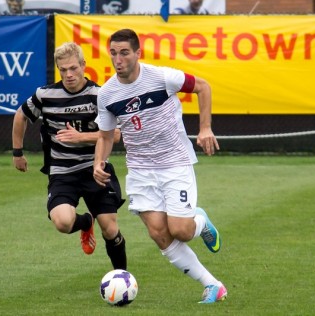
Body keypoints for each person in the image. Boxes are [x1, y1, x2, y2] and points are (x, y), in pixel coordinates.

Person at [93, 29, 226, 304]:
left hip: (174, 162)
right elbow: (106, 136)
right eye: (114, 53)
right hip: (140, 170)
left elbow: (203, 86)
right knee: (159, 233)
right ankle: (213, 285)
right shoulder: (106, 94)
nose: (118, 59)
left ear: (138, 53)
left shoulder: (162, 77)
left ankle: (199, 222)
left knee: (181, 231)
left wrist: (205, 128)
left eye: (125, 53)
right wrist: (99, 161)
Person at [12, 42, 127, 270]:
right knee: (63, 223)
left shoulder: (99, 95)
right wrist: (17, 153)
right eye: (63, 70)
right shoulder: (45, 95)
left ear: (84, 65)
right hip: (63, 173)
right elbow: (20, 115)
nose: (69, 74)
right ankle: (85, 222)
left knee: (110, 229)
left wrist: (81, 137)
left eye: (73, 68)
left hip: (95, 168)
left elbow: (115, 135)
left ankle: (121, 277)